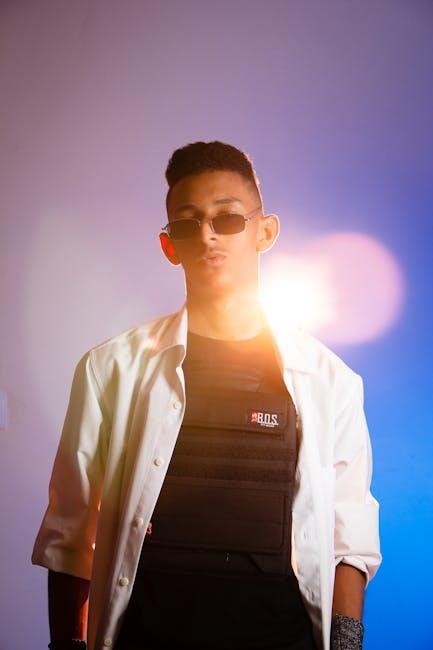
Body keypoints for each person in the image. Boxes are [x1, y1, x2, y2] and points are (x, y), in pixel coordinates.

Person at [32, 141, 381, 650]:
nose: (207, 234)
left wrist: (347, 645)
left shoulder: (330, 382)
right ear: (169, 245)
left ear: (265, 232)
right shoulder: (111, 370)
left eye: (228, 218)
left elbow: (350, 538)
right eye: (186, 223)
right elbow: (70, 536)